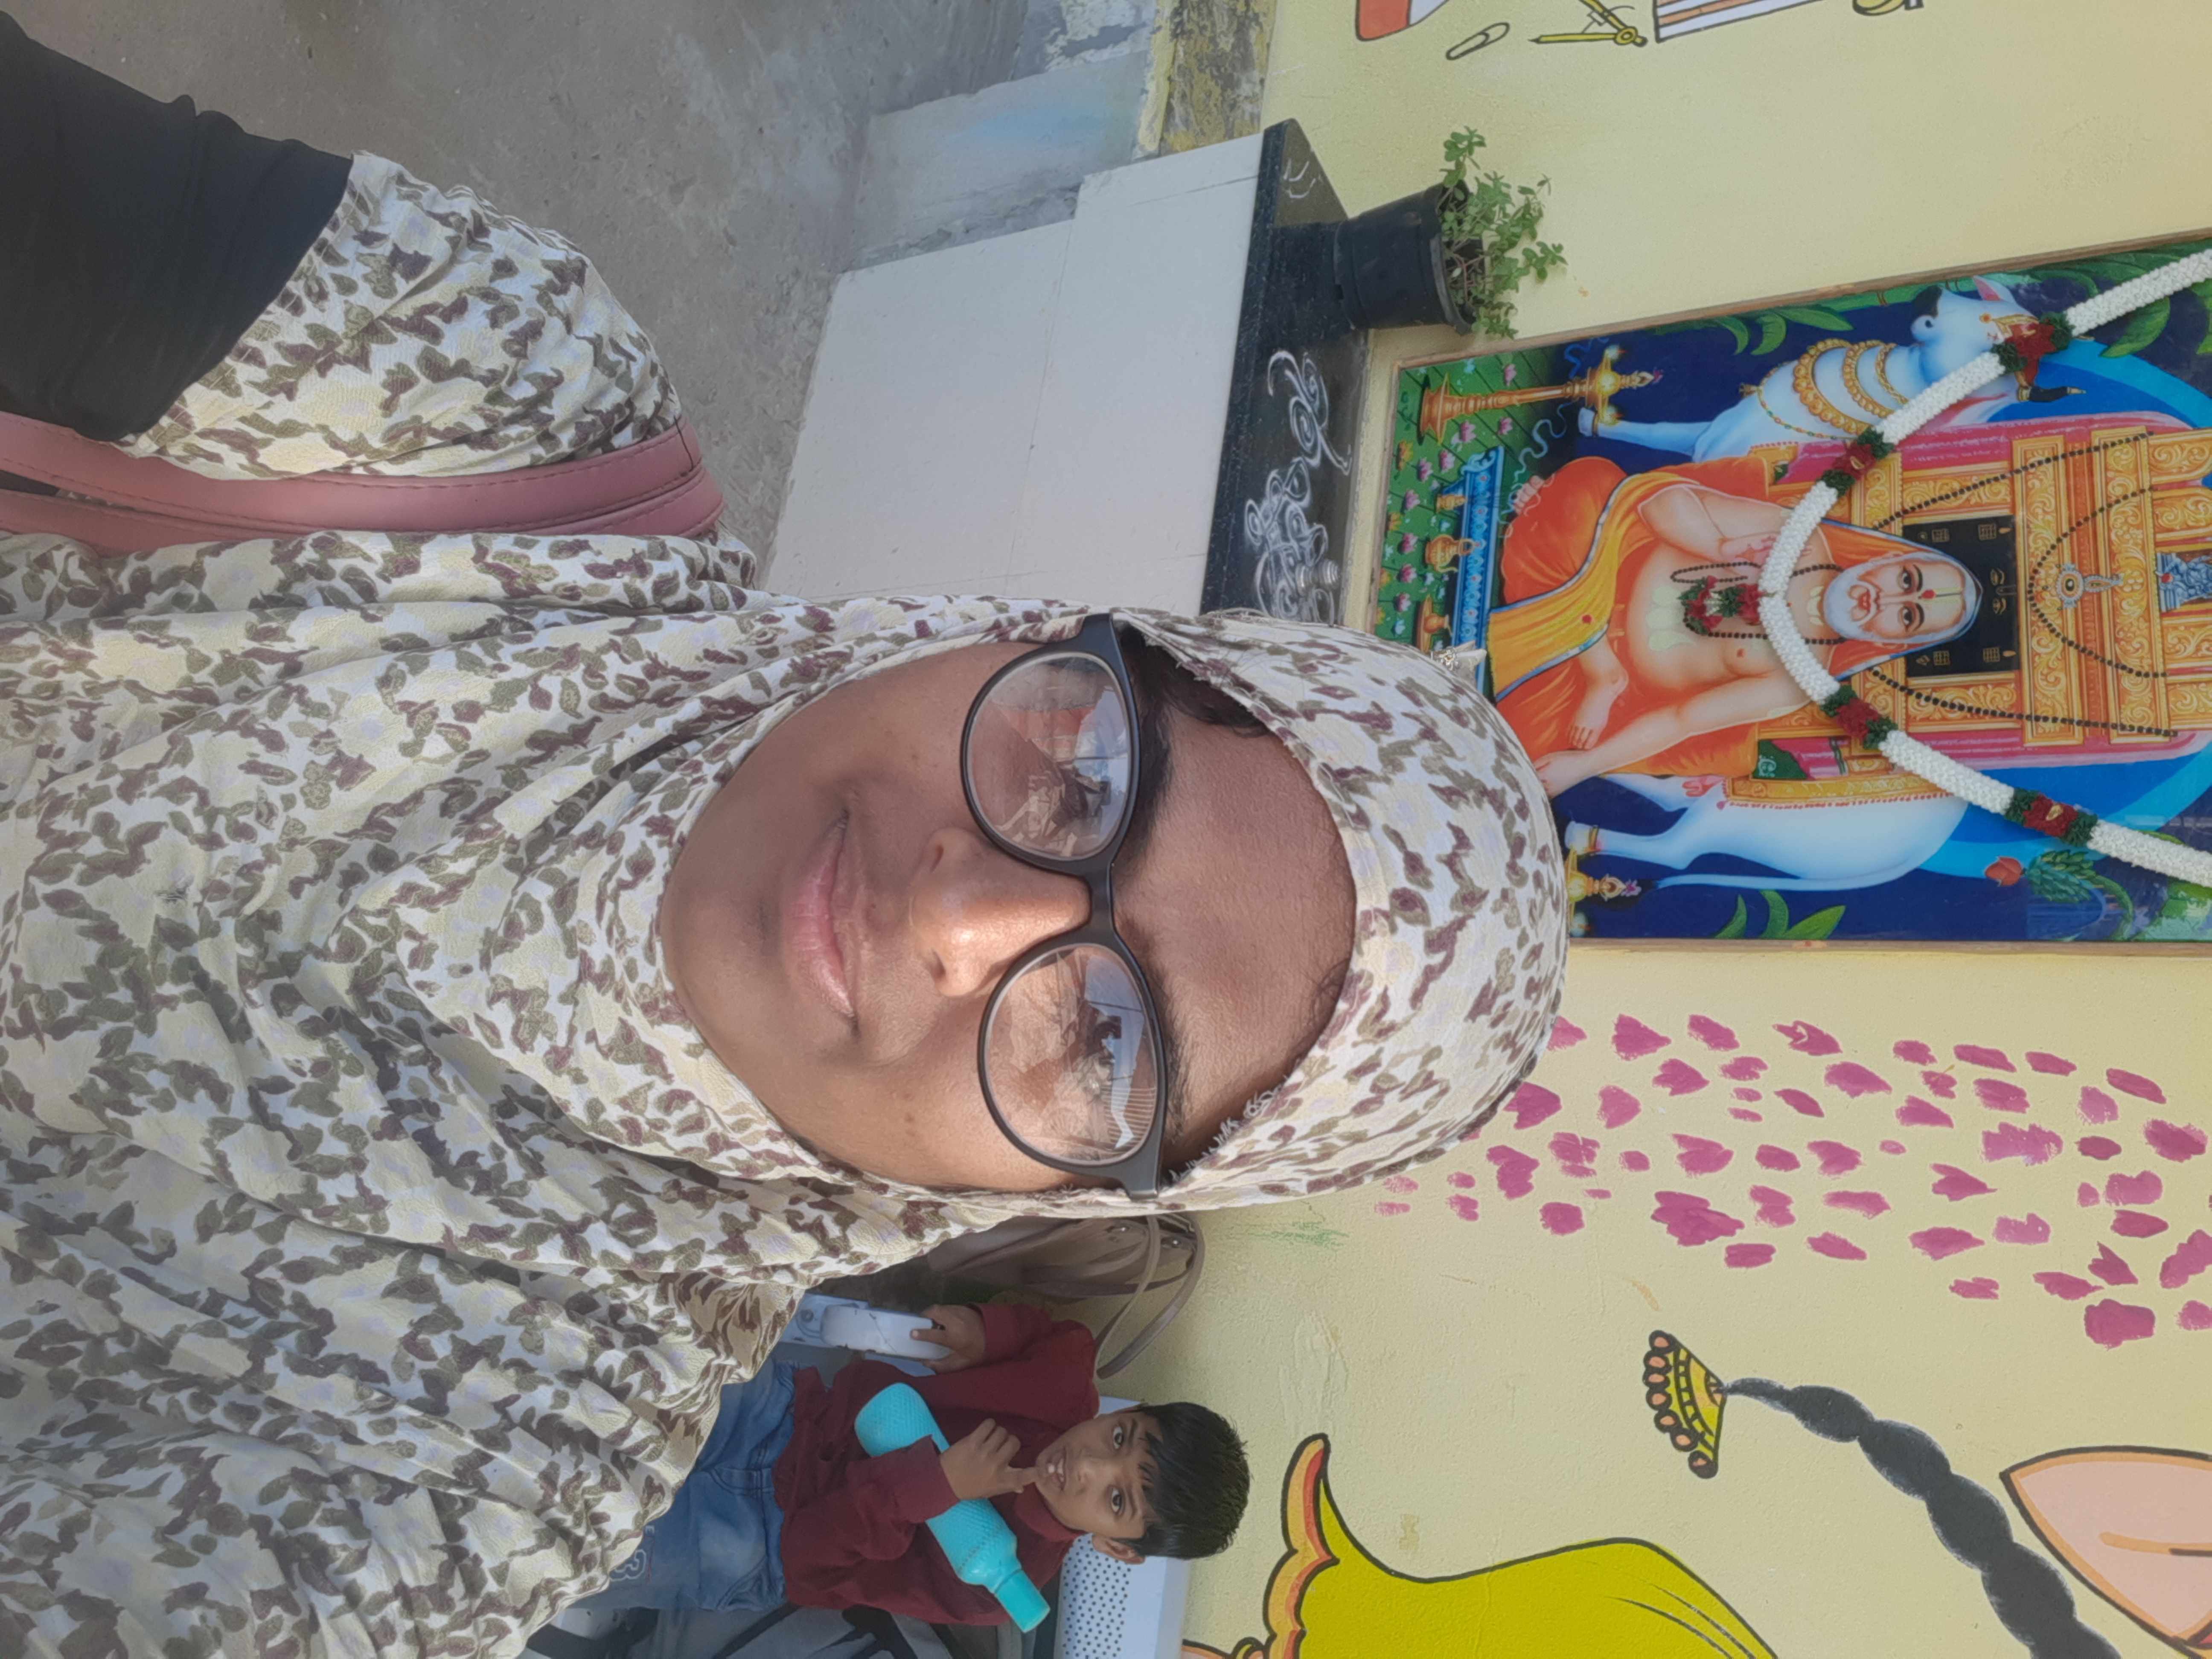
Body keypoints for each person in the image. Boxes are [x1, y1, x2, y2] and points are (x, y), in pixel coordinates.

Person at [0, 17, 1566, 1659]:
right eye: (1082, 767)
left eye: (1103, 1043)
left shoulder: (471, 1477)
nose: (963, 919)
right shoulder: (492, 409)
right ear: (1028, 631)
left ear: (1064, 1186)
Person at [571, 1302, 1248, 1624]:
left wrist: (935, 1487)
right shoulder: (1064, 1388)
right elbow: (1064, 1335)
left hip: (756, 1540)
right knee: (586, 1380)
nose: (1090, 1464)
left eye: (1118, 1500)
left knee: (568, 1539)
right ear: (1130, 1411)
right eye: (1122, 1436)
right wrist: (988, 1334)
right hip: (787, 1413)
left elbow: (809, 1563)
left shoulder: (996, 1582)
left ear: (1117, 1548)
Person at [1484, 455, 1982, 796]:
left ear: (1893, 640)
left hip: (1583, 679)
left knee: (1535, 741)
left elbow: (1682, 720)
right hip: (1602, 567)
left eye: (1908, 615)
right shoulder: (1800, 541)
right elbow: (1662, 502)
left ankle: (1596, 662)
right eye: (1907, 579)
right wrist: (1718, 547)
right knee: (1586, 489)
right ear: (1890, 559)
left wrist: (1585, 767)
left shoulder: (1799, 678)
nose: (1886, 598)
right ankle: (1594, 659)